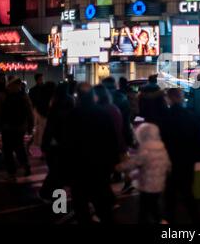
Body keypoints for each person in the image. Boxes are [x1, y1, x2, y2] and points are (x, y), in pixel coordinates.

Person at [64, 83, 119, 224]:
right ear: (92, 96)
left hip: (78, 167)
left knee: (81, 206)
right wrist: (113, 163)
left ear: (78, 96)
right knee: (103, 205)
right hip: (100, 166)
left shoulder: (71, 114)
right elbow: (112, 140)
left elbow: (65, 142)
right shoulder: (103, 113)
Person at [163, 88, 200, 224]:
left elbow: (164, 139)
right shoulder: (190, 116)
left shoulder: (166, 116)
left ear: (169, 99)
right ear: (181, 98)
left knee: (170, 193)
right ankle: (196, 220)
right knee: (187, 192)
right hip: (188, 160)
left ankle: (170, 219)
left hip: (172, 160)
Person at [116, 123, 171, 224]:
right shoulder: (162, 147)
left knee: (144, 209)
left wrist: (118, 167)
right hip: (159, 184)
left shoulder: (145, 149)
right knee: (152, 205)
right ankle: (160, 220)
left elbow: (135, 162)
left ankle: (157, 220)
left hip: (147, 185)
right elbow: (167, 164)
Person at [39, 82, 75, 201]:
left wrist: (44, 146)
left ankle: (53, 198)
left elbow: (49, 129)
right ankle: (56, 201)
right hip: (66, 144)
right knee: (59, 172)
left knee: (56, 171)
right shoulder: (70, 103)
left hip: (55, 145)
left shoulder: (55, 105)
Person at [0, 78, 34, 179]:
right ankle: (26, 165)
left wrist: (0, 124)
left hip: (7, 126)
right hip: (20, 126)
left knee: (8, 149)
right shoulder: (23, 95)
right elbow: (29, 111)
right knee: (20, 146)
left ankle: (11, 172)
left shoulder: (3, 94)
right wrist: (30, 125)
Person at [102, 77, 134, 148]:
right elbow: (126, 123)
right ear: (115, 85)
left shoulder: (96, 99)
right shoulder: (122, 98)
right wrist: (129, 139)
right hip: (119, 139)